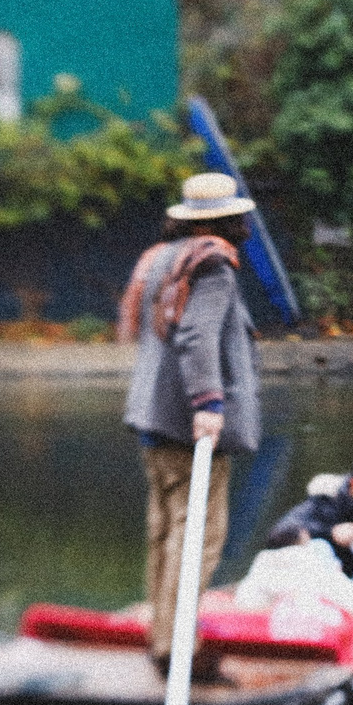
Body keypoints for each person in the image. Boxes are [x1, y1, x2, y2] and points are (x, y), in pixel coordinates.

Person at [121, 171, 261, 668]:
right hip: (189, 424)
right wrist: (209, 404)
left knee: (163, 531)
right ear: (229, 220)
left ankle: (162, 635)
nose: (247, 225)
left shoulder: (160, 259)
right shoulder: (212, 266)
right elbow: (196, 337)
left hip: (152, 420)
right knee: (197, 535)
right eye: (241, 218)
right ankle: (178, 647)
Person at [264, 453, 353, 608]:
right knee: (318, 546)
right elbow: (279, 533)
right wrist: (330, 533)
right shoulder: (327, 498)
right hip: (332, 575)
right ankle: (325, 604)